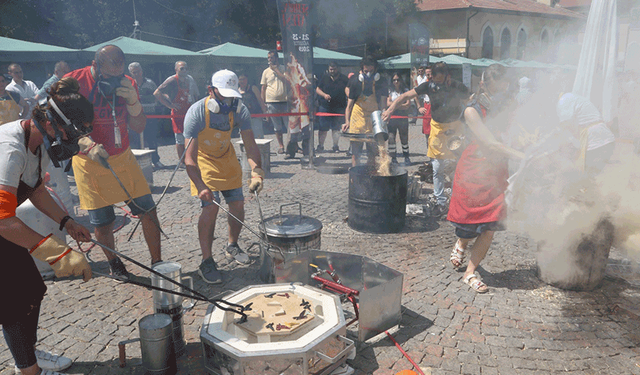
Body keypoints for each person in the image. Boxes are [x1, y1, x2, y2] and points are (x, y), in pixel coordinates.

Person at [0, 77, 94, 375]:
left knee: (32, 290)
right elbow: (2, 218)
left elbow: (36, 190)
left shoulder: (37, 143)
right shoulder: (11, 149)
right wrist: (58, 253)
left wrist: (67, 222)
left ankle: (28, 356)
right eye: (72, 133)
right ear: (52, 124)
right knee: (14, 301)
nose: (73, 141)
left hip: (3, 224)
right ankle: (28, 370)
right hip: (1, 222)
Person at [66, 44, 163, 277]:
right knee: (102, 221)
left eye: (118, 75)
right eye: (108, 76)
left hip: (123, 158)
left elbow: (138, 126)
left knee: (148, 210)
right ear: (95, 66)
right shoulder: (74, 83)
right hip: (89, 162)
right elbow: (61, 126)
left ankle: (158, 263)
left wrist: (133, 103)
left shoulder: (127, 82)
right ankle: (114, 262)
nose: (114, 80)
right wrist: (84, 144)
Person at [446, 64, 524, 293]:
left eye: (505, 88)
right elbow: (491, 143)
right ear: (483, 85)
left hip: (496, 171)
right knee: (468, 223)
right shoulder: (472, 111)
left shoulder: (506, 107)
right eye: (498, 90)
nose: (502, 93)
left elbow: (515, 130)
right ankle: (461, 242)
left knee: (490, 225)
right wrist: (524, 156)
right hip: (474, 171)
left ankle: (470, 272)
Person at [184, 70, 264, 284]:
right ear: (211, 91)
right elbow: (189, 158)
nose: (228, 101)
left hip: (227, 160)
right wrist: (200, 186)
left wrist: (257, 172)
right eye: (224, 95)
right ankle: (207, 261)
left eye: (232, 96)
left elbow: (250, 145)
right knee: (211, 207)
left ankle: (232, 245)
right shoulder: (196, 112)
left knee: (237, 204)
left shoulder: (240, 111)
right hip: (204, 162)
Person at [384, 62, 470, 215]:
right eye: (434, 79)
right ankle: (440, 200)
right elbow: (405, 96)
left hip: (455, 128)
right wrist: (390, 109)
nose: (436, 83)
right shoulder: (428, 86)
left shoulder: (457, 86)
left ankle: (460, 198)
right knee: (437, 167)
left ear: (447, 76)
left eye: (440, 80)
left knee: (459, 165)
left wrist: (467, 121)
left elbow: (469, 101)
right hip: (437, 129)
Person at [342, 57, 387, 167]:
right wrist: (347, 121)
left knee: (372, 152)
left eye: (371, 71)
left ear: (376, 70)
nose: (368, 74)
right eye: (366, 71)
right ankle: (355, 174)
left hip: (374, 117)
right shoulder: (355, 81)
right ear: (361, 70)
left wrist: (384, 119)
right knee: (355, 153)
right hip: (357, 117)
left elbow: (383, 105)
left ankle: (371, 174)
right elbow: (349, 106)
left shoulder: (382, 81)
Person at [154, 61, 200, 167]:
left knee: (192, 136)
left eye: (186, 68)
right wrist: (169, 105)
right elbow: (157, 92)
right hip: (178, 113)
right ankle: (182, 161)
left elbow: (196, 95)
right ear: (176, 70)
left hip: (189, 112)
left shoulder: (190, 79)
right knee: (179, 138)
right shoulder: (172, 80)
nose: (184, 71)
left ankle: (191, 158)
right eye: (182, 69)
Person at [129, 62, 164, 169]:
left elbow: (157, 97)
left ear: (142, 71)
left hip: (150, 115)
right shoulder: (129, 84)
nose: (137, 74)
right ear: (131, 73)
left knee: (152, 138)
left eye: (138, 71)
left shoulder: (150, 83)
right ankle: (139, 162)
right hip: (135, 116)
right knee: (136, 140)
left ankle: (155, 160)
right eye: (134, 72)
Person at [316, 61, 348, 153]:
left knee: (336, 128)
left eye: (334, 69)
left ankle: (335, 146)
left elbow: (348, 89)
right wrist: (324, 95)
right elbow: (318, 89)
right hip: (325, 106)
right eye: (331, 69)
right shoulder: (324, 78)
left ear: (338, 69)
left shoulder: (344, 79)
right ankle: (321, 146)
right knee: (323, 128)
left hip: (339, 106)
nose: (332, 71)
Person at [261, 50, 288, 154]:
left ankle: (292, 145)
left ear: (276, 58)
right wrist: (263, 103)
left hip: (285, 101)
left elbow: (287, 80)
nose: (269, 60)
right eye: (268, 58)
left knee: (289, 125)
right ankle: (281, 146)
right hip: (272, 102)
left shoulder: (284, 68)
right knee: (277, 127)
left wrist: (276, 70)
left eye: (271, 58)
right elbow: (263, 87)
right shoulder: (265, 72)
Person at [386, 72, 411, 165]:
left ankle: (406, 156)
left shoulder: (405, 90)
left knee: (404, 138)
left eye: (397, 80)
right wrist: (400, 105)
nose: (396, 82)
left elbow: (408, 105)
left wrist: (394, 105)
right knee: (391, 138)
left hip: (403, 117)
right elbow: (388, 104)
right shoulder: (390, 91)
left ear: (401, 80)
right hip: (392, 118)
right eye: (394, 80)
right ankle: (393, 158)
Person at [238, 72, 266, 139]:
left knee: (258, 136)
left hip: (255, 116)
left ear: (247, 79)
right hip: (243, 118)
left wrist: (265, 112)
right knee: (244, 136)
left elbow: (260, 100)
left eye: (243, 79)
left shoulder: (253, 88)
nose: (242, 81)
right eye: (240, 79)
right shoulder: (237, 91)